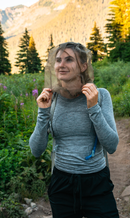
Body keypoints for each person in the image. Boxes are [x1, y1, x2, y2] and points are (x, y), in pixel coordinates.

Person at [29, 42, 119, 218]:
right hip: (62, 184)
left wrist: (93, 108)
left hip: (97, 183)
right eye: (58, 60)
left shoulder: (100, 95)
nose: (61, 64)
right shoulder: (51, 98)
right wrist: (42, 112)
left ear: (83, 66)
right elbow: (36, 150)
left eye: (69, 59)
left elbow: (112, 145)